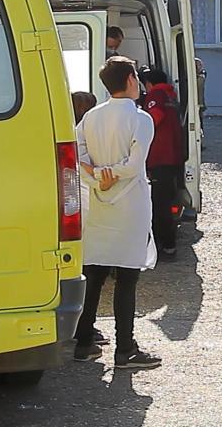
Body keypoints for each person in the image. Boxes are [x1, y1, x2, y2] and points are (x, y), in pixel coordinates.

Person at [74, 56, 162, 369]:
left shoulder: (91, 117)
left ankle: (83, 342)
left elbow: (77, 156)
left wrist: (97, 175)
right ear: (129, 79)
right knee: (127, 277)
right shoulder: (140, 118)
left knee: (94, 273)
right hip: (130, 204)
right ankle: (125, 348)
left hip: (98, 201)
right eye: (136, 76)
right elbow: (135, 165)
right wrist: (109, 171)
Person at [139, 68, 184, 261]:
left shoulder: (156, 94)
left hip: (160, 157)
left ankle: (166, 246)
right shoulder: (170, 95)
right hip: (173, 156)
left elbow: (153, 118)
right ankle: (168, 243)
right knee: (167, 200)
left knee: (160, 204)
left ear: (149, 83)